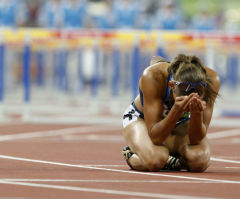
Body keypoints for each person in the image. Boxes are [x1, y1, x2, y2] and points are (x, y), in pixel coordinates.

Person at [122, 54, 220, 172]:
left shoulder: (211, 80)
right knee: (156, 159)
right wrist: (176, 110)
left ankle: (171, 161)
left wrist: (196, 114)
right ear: (171, 86)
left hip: (181, 121)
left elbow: (197, 140)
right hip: (141, 118)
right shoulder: (154, 76)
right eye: (183, 95)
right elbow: (156, 138)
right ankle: (132, 154)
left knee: (198, 160)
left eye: (197, 93)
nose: (189, 99)